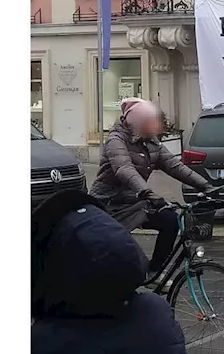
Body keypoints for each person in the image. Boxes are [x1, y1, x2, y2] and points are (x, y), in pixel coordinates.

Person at [31, 190, 188, 354]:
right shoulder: (158, 313)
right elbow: (127, 171)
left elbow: (168, 165)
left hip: (128, 206)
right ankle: (153, 269)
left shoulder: (44, 339)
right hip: (117, 205)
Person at [89, 98, 216, 282]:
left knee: (169, 220)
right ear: (137, 123)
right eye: (150, 123)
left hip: (135, 202)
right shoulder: (116, 140)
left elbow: (174, 166)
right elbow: (124, 169)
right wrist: (148, 193)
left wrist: (206, 186)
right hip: (109, 205)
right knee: (129, 255)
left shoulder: (151, 142)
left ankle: (155, 272)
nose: (155, 127)